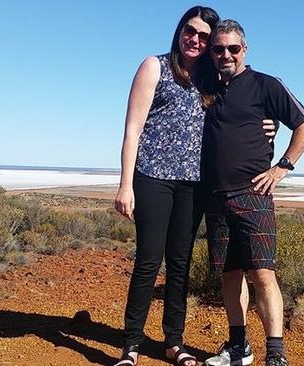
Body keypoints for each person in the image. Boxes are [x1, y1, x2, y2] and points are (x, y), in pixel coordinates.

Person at [113, 7, 275, 366]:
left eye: (205, 37)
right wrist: (126, 184)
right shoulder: (155, 66)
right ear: (180, 30)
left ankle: (174, 342)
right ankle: (132, 345)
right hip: (152, 177)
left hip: (195, 184)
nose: (196, 40)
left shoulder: (212, 79)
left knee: (180, 263)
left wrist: (268, 126)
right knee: (148, 260)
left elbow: (239, 115)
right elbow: (132, 129)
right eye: (191, 31)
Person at [202, 20, 304, 366]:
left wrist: (283, 167)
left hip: (253, 193)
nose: (226, 55)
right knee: (230, 274)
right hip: (215, 196)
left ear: (244, 50)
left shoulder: (265, 85)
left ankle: (276, 354)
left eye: (233, 49)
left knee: (263, 273)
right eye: (219, 49)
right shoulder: (204, 87)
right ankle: (239, 346)